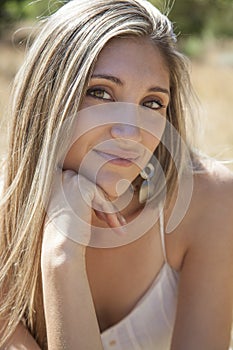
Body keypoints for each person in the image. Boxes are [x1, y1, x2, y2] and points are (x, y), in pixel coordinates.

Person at [0, 0, 233, 349]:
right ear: (49, 99)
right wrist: (62, 255)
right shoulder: (6, 213)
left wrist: (60, 256)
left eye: (152, 103)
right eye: (100, 93)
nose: (130, 132)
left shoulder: (210, 201)